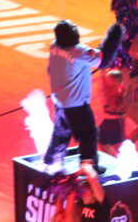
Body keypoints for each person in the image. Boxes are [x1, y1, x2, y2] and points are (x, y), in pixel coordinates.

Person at [43, 20, 103, 171]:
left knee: (61, 133)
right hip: (76, 104)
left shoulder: (54, 46)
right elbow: (100, 60)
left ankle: (51, 161)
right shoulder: (78, 51)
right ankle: (89, 168)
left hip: (59, 100)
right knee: (88, 135)